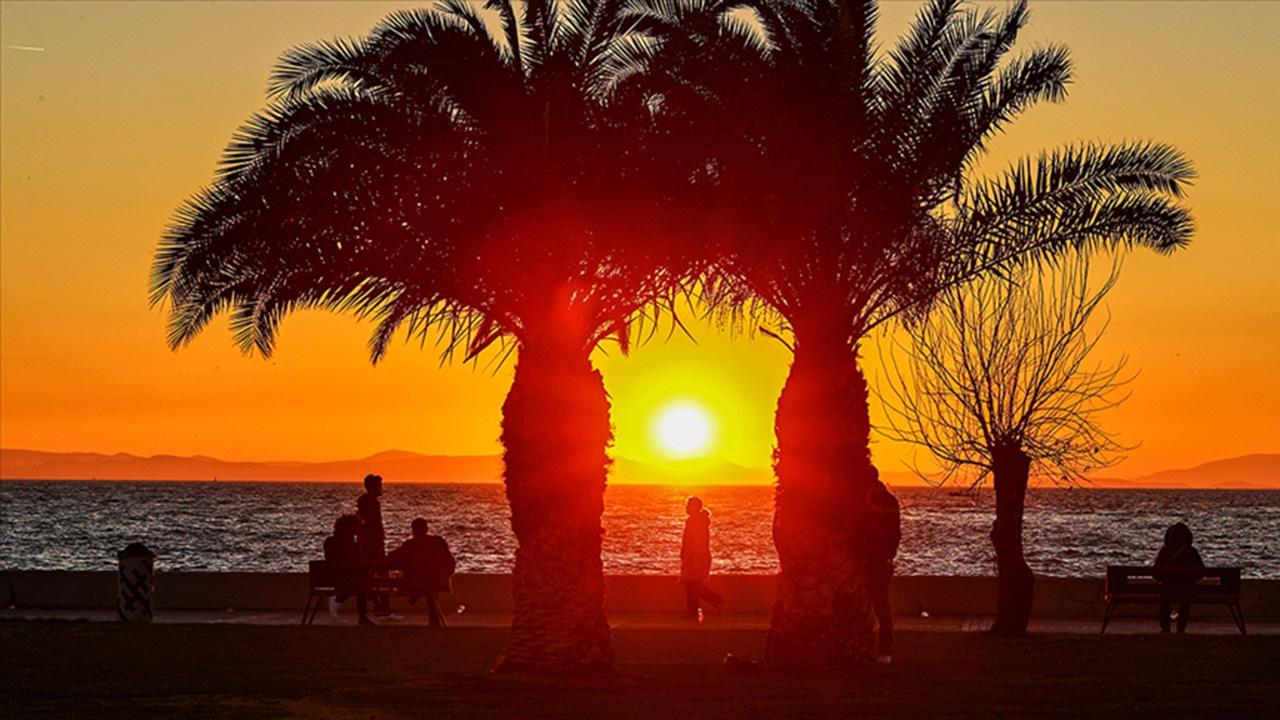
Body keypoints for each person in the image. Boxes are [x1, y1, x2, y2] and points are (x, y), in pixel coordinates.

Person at [387, 518, 456, 627]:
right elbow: (451, 561)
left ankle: (417, 602)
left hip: (416, 583)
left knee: (423, 580)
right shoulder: (438, 542)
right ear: (426, 529)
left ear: (413, 530)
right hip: (438, 581)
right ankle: (434, 621)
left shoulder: (410, 544)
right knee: (429, 583)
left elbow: (391, 557)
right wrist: (447, 575)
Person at [865, 475, 902, 664]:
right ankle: (878, 646)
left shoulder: (876, 501)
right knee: (880, 602)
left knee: (879, 603)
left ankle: (884, 646)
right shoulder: (888, 501)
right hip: (879, 558)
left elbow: (889, 532)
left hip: (877, 559)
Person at [357, 473, 401, 620]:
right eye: (379, 486)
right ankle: (384, 608)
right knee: (382, 577)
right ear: (373, 487)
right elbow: (373, 526)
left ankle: (379, 607)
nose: (381, 488)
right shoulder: (372, 504)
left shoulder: (364, 503)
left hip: (369, 545)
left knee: (370, 578)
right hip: (374, 547)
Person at [1153, 522, 1204, 633]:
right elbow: (1201, 571)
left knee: (1165, 596)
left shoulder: (1165, 551)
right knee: (1186, 597)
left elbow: (1156, 572)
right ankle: (1181, 626)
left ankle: (1165, 626)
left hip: (1167, 589)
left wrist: (1167, 574)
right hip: (1187, 589)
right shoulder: (1192, 552)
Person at [324, 513, 374, 626]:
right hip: (343, 578)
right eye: (356, 528)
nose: (357, 531)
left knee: (362, 582)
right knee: (363, 583)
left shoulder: (330, 541)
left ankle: (341, 598)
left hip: (333, 577)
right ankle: (362, 614)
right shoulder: (352, 545)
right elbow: (357, 564)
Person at [680, 496, 723, 619]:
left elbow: (699, 543)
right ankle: (696, 609)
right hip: (691, 558)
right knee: (691, 585)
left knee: (692, 585)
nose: (686, 507)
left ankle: (714, 601)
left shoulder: (698, 522)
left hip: (696, 558)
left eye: (688, 505)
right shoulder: (693, 521)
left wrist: (694, 562)